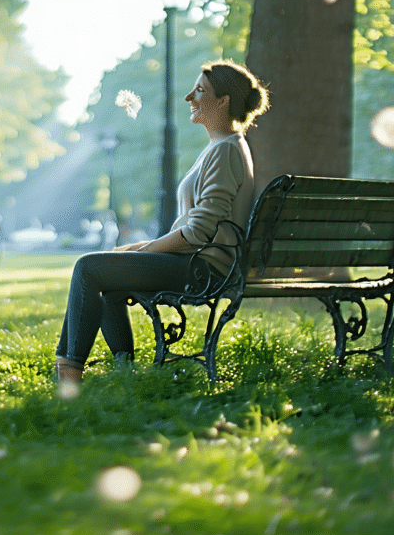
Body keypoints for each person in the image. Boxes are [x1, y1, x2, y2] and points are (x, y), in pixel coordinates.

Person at [55, 60, 270, 385]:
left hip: (204, 269)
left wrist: (146, 249)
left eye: (200, 90)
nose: (189, 97)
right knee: (108, 270)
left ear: (223, 101)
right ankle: (123, 369)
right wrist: (141, 249)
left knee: (88, 268)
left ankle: (68, 371)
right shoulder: (221, 147)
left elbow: (198, 232)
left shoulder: (226, 151)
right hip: (198, 261)